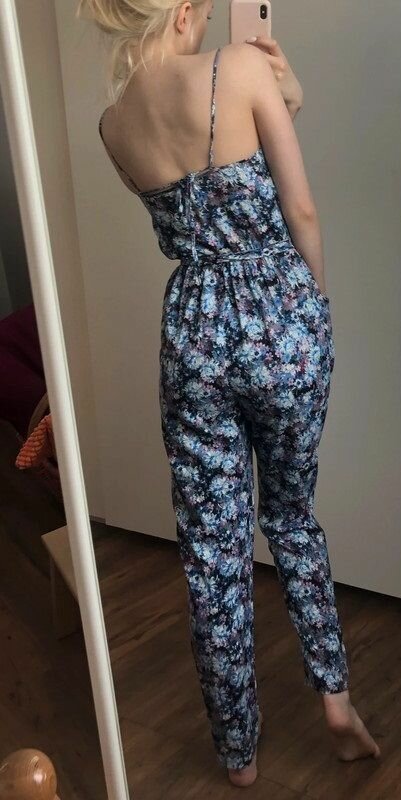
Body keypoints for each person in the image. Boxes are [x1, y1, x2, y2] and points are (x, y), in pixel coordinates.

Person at [79, 0, 380, 786]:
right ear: (184, 11)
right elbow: (296, 206)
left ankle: (238, 753)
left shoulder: (112, 127)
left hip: (193, 333)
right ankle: (337, 705)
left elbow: (201, 211)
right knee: (291, 515)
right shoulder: (240, 68)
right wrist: (313, 309)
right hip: (279, 319)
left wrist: (289, 99)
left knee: (213, 551)